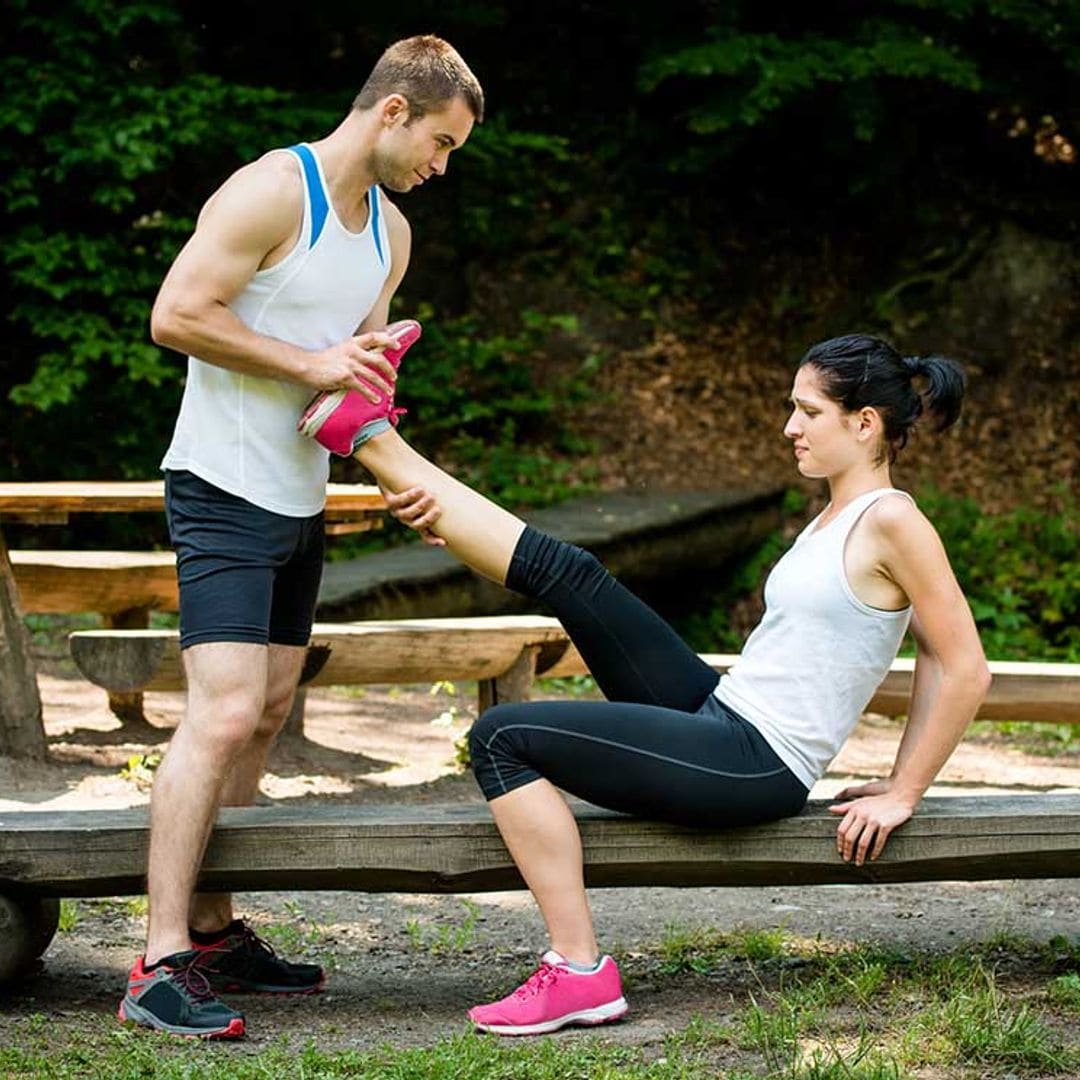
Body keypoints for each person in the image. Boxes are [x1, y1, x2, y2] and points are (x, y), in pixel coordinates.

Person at [315, 331, 991, 1036]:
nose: (789, 427)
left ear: (864, 423)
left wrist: (905, 788)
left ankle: (578, 972)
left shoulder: (894, 520)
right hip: (722, 712)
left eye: (808, 411)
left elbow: (960, 664)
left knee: (501, 738)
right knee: (574, 574)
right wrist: (457, 528)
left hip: (754, 761)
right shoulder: (833, 516)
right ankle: (367, 434)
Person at [121, 36, 484, 1039]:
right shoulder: (272, 191)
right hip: (220, 486)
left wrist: (399, 474)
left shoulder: (392, 238)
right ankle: (155, 962)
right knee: (226, 709)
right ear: (395, 110)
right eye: (441, 143)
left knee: (273, 703)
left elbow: (349, 383)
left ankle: (214, 928)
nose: (440, 167)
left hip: (301, 498)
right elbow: (175, 315)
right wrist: (314, 364)